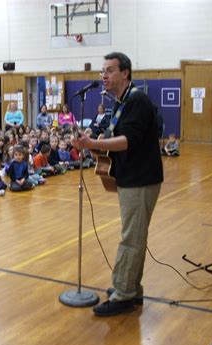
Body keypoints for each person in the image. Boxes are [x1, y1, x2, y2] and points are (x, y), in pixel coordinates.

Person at [71, 52, 163, 317]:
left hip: (141, 180)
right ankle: (131, 288)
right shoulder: (121, 102)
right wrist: (91, 141)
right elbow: (113, 137)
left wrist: (93, 143)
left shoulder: (137, 101)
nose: (104, 76)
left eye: (110, 70)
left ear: (125, 73)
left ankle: (123, 295)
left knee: (131, 239)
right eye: (103, 71)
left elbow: (127, 141)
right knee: (134, 237)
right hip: (131, 179)